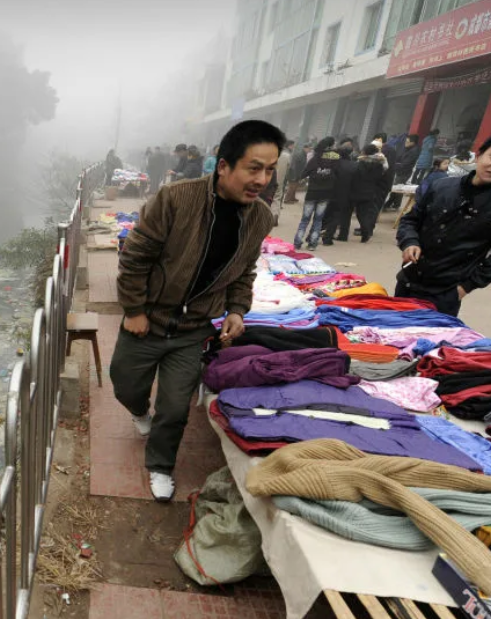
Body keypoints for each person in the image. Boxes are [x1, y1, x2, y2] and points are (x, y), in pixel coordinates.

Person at [112, 119, 283, 501]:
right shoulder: (176, 199)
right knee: (125, 384)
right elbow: (136, 257)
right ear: (224, 166)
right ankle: (139, 411)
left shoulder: (260, 218)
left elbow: (245, 270)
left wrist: (238, 309)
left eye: (270, 170)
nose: (262, 179)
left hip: (192, 329)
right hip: (148, 318)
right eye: (253, 167)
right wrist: (134, 309)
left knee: (174, 407)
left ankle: (160, 466)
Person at [395, 127, 491, 317]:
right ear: (479, 155)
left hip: (445, 294)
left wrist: (465, 287)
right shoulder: (441, 187)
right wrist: (409, 241)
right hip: (407, 280)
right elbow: (411, 220)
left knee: (428, 344)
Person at [293, 136, 339, 250]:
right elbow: (338, 176)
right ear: (331, 146)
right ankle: (313, 244)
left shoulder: (314, 159)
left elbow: (303, 174)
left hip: (312, 193)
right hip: (325, 194)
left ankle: (297, 243)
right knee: (318, 220)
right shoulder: (335, 160)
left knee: (305, 219)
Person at [323, 140, 357, 244]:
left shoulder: (333, 163)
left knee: (326, 214)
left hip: (330, 193)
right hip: (345, 195)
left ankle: (315, 234)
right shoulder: (354, 165)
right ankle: (335, 236)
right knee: (338, 216)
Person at [350, 144, 385, 242]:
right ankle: (366, 233)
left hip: (359, 191)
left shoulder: (360, 163)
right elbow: (379, 177)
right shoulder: (379, 164)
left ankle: (365, 232)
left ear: (365, 152)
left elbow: (356, 176)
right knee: (364, 213)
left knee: (359, 214)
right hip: (371, 191)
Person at [271, 141, 292, 225]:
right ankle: (275, 215)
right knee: (277, 198)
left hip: (268, 179)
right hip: (280, 180)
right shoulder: (287, 156)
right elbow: (289, 169)